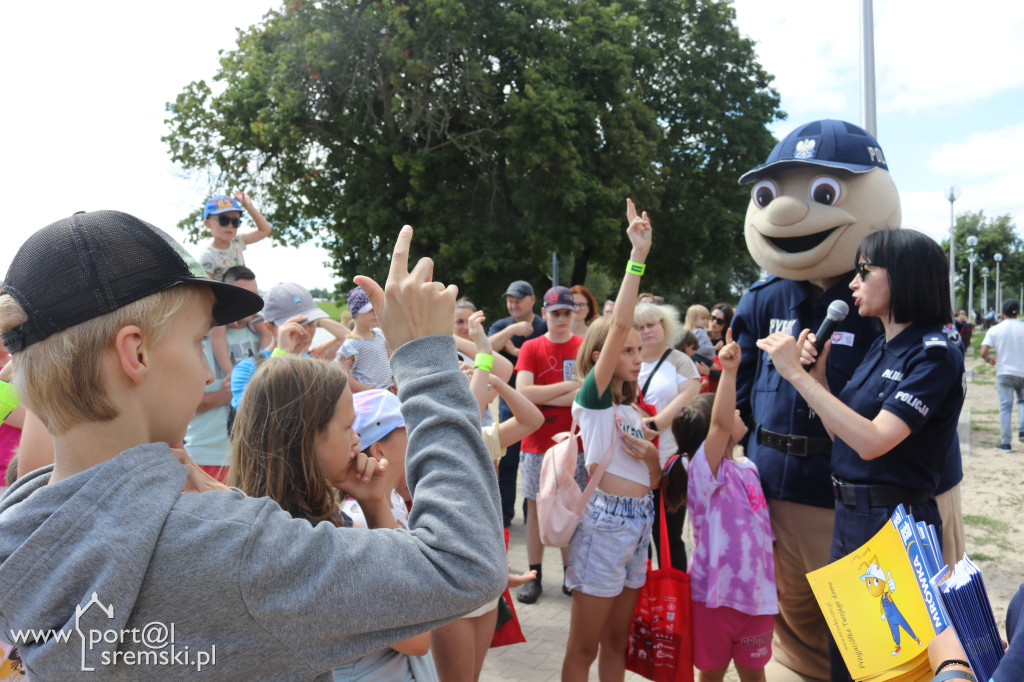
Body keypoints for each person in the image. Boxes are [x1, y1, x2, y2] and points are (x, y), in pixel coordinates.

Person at [0, 214, 507, 677]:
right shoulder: (232, 551)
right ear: (135, 353)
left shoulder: (19, 529)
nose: (205, 370)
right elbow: (463, 565)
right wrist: (426, 359)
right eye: (199, 341)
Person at [755, 229, 966, 682]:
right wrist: (820, 375)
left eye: (866, 271)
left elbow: (874, 441)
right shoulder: (880, 344)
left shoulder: (935, 354)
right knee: (848, 659)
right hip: (849, 518)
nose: (853, 282)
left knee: (887, 665)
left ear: (905, 278)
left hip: (894, 524)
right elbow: (844, 434)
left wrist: (796, 376)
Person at [230, 357, 438, 681]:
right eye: (347, 427)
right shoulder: (317, 545)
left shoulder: (259, 519)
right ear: (306, 438)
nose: (358, 439)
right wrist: (377, 505)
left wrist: (372, 498)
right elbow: (415, 636)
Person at [561, 199, 672, 682]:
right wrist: (637, 257)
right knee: (582, 649)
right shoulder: (594, 400)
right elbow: (622, 322)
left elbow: (653, 480)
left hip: (639, 522)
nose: (635, 356)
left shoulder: (635, 409)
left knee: (617, 644)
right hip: (604, 525)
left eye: (635, 350)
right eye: (623, 350)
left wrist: (651, 462)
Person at [671, 332, 776, 682]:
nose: (737, 412)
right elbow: (719, 423)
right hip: (714, 599)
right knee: (711, 675)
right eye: (731, 410)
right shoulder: (705, 472)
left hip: (756, 598)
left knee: (754, 674)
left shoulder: (747, 468)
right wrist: (728, 372)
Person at [513, 285, 585, 604]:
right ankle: (534, 575)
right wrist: (566, 389)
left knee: (570, 506)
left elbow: (585, 395)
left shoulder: (583, 347)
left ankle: (572, 573)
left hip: (573, 441)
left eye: (567, 313)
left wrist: (546, 393)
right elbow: (523, 392)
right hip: (535, 442)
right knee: (534, 507)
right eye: (555, 314)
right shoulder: (531, 347)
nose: (561, 319)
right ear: (544, 313)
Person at [634, 301, 701, 569]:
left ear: (664, 326)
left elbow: (691, 393)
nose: (646, 331)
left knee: (670, 537)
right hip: (634, 463)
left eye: (651, 325)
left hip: (670, 464)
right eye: (639, 327)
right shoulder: (627, 358)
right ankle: (641, 599)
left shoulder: (678, 360)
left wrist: (657, 423)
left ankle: (674, 602)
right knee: (638, 540)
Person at [231, 281, 349, 408]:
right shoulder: (246, 369)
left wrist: (316, 317)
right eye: (296, 326)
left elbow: (349, 340)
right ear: (270, 327)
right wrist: (282, 353)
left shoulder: (314, 362)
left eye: (311, 323)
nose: (306, 333)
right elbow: (251, 415)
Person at [198, 192, 273, 389]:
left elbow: (265, 230)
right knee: (217, 329)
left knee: (266, 328)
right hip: (224, 304)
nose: (230, 226)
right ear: (208, 224)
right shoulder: (208, 257)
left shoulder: (238, 242)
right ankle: (232, 375)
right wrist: (225, 313)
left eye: (235, 221)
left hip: (244, 303)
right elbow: (208, 290)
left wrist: (248, 205)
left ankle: (262, 370)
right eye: (223, 220)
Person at [488, 280, 547, 527]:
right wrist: (510, 332)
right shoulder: (502, 325)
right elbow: (484, 348)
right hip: (508, 403)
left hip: (542, 403)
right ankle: (504, 514)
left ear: (532, 300)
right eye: (510, 299)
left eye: (518, 299)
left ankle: (534, 511)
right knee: (509, 460)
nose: (513, 304)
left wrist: (516, 351)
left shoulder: (544, 326)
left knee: (539, 460)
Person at [980, 298, 1024, 451]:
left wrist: (989, 360)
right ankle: (1022, 430)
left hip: (1004, 372)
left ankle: (1006, 442)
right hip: (1023, 372)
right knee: (1022, 402)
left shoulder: (995, 329)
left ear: (1002, 312)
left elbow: (983, 351)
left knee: (1006, 407)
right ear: (1018, 312)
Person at [336, 286, 394, 392]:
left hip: (387, 390)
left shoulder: (379, 334)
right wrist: (364, 388)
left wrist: (394, 379)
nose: (375, 313)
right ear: (356, 314)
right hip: (368, 394)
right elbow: (342, 372)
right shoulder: (351, 344)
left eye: (376, 308)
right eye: (370, 310)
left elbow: (389, 357)